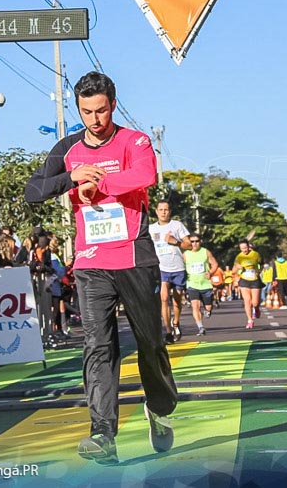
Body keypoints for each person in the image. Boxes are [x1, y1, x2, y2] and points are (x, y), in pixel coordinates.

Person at [25, 71, 177, 465]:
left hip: (134, 256)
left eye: (102, 110)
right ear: (78, 108)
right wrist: (71, 178)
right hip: (91, 262)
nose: (95, 119)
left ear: (113, 104)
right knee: (98, 345)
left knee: (150, 342)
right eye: (87, 111)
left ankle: (158, 409)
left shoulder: (134, 141)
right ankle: (102, 433)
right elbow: (33, 191)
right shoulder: (67, 148)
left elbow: (146, 175)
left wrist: (101, 184)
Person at [150, 200, 191, 343]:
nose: (163, 212)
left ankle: (176, 323)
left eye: (166, 209)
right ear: (156, 211)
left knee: (177, 300)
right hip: (161, 268)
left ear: (170, 211)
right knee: (164, 298)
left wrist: (176, 242)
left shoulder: (177, 225)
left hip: (178, 268)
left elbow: (189, 245)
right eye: (160, 209)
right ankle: (168, 331)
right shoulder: (151, 229)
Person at [182, 235, 218, 336]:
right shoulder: (185, 254)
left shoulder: (205, 252)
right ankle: (200, 327)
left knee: (208, 307)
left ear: (200, 242)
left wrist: (210, 272)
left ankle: (208, 310)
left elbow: (215, 264)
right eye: (192, 241)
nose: (194, 244)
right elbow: (180, 266)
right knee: (195, 306)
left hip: (205, 284)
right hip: (192, 284)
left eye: (197, 241)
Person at [233, 239, 263, 329]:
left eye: (245, 248)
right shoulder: (239, 257)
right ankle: (250, 320)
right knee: (247, 301)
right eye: (242, 248)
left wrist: (258, 270)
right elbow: (234, 269)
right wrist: (238, 267)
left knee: (255, 302)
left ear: (248, 246)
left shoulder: (255, 254)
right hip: (244, 280)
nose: (244, 250)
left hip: (255, 279)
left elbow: (260, 264)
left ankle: (257, 309)